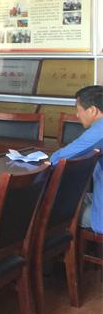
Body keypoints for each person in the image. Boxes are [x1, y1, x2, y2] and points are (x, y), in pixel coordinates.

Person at [50, 85, 103, 233]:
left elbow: (59, 158)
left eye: (78, 109)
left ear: (93, 110)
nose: (77, 115)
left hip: (101, 218)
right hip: (97, 195)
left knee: (45, 208)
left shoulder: (99, 131)